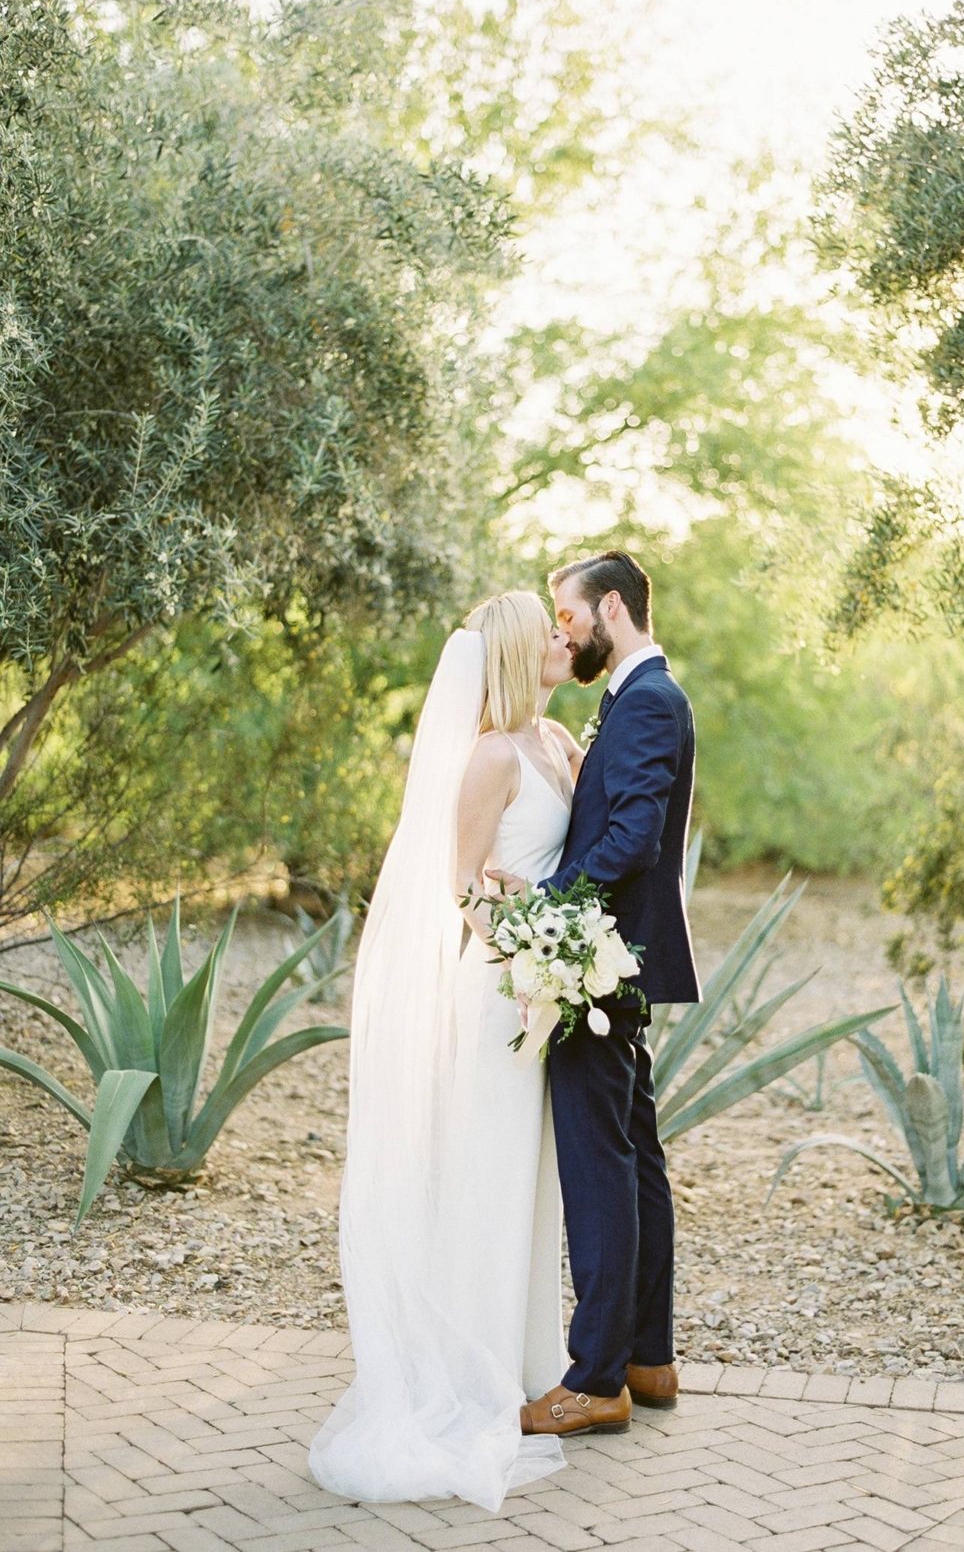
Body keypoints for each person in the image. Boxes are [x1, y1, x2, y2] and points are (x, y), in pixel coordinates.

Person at [308, 591, 583, 1511]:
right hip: (501, 996)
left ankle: (531, 1362)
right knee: (491, 1173)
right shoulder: (489, 757)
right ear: (511, 654)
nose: (561, 636)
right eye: (546, 631)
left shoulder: (558, 742)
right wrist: (531, 947)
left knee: (532, 1179)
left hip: (550, 996)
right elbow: (462, 889)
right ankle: (477, 1374)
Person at [487, 550, 700, 1438]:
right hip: (614, 961)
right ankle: (649, 1358)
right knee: (635, 1153)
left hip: (596, 963)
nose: (561, 629)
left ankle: (598, 1377)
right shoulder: (632, 697)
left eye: (568, 614)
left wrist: (549, 914)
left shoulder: (648, 699)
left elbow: (635, 836)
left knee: (598, 1167)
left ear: (611, 608)